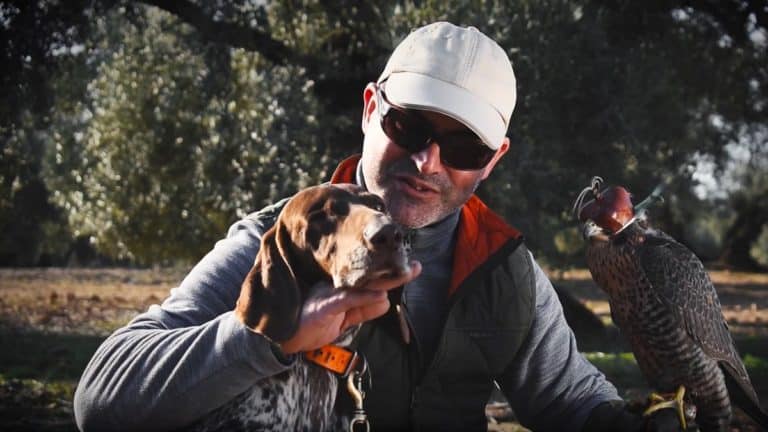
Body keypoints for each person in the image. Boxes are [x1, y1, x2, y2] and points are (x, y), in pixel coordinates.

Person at [74, 22, 683, 431]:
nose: (427, 161)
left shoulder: (506, 268)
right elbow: (101, 398)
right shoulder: (283, 243)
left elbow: (569, 399)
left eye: (463, 147)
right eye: (409, 127)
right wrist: (271, 336)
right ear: (371, 110)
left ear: (493, 161)